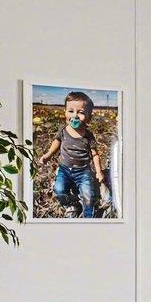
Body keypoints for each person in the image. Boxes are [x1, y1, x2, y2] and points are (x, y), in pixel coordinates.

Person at [37, 89, 111, 218]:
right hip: (64, 169)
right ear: (65, 112)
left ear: (89, 117)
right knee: (59, 190)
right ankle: (71, 204)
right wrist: (48, 155)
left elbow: (95, 154)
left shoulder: (88, 136)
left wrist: (99, 171)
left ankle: (89, 216)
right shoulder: (63, 131)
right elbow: (57, 143)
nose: (75, 115)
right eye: (71, 111)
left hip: (83, 171)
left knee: (88, 195)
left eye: (81, 112)